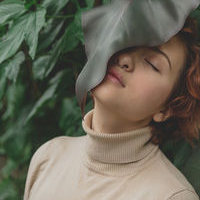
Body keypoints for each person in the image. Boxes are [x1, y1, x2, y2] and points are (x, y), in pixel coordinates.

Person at [23, 16, 200, 199]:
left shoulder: (171, 195)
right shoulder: (49, 156)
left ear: (166, 109)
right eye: (127, 43)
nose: (124, 58)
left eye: (151, 64)